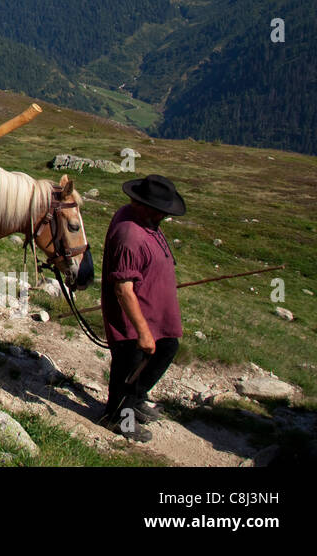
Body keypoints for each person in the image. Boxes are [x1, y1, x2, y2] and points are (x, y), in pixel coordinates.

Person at [98, 173, 187, 443]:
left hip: (154, 308)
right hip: (134, 318)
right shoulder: (130, 235)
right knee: (129, 366)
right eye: (161, 211)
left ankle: (135, 398)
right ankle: (117, 417)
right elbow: (123, 290)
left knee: (168, 346)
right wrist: (143, 332)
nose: (164, 216)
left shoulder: (141, 218)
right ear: (146, 206)